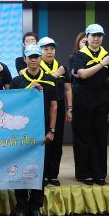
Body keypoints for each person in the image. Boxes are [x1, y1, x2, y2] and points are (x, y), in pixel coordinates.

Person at [10, 44, 54, 216]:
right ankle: (21, 209)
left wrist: (52, 130)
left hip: (42, 133)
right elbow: (12, 105)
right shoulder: (16, 82)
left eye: (36, 56)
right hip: (21, 133)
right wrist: (29, 89)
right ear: (25, 59)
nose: (34, 59)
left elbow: (54, 106)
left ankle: (36, 208)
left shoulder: (50, 80)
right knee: (21, 169)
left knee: (40, 171)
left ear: (40, 58)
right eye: (30, 57)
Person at [69, 24, 109, 186]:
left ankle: (99, 174)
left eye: (99, 36)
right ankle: (84, 173)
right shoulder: (79, 56)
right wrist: (102, 64)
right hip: (82, 100)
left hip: (102, 102)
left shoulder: (106, 55)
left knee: (100, 137)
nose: (96, 38)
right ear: (87, 37)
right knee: (83, 137)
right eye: (93, 35)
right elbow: (82, 74)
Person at [37, 36, 71, 186]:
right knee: (43, 142)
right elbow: (40, 83)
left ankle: (53, 174)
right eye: (46, 49)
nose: (49, 51)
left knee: (57, 142)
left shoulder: (61, 67)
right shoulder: (36, 67)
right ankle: (42, 175)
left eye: (52, 48)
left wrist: (70, 108)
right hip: (41, 108)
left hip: (59, 107)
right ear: (40, 51)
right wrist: (56, 74)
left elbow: (68, 88)